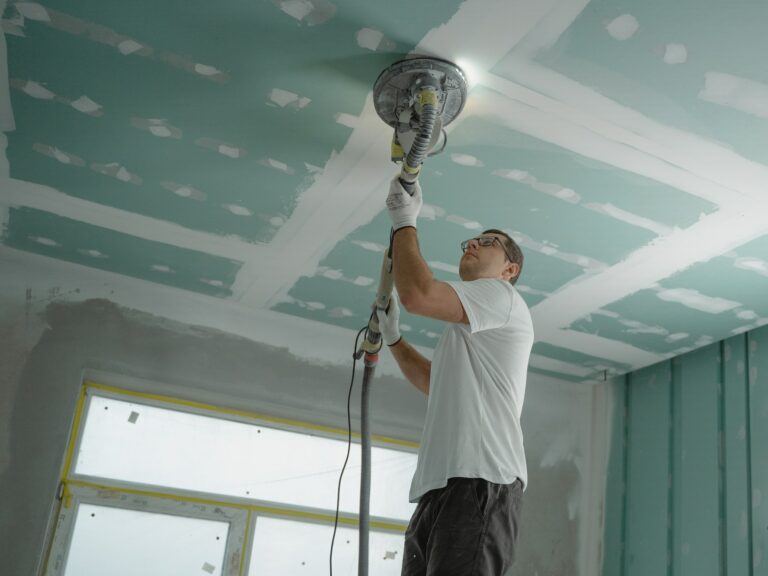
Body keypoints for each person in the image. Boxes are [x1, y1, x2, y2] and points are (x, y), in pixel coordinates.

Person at [376, 176, 534, 576]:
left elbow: (418, 295)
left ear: (509, 269)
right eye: (469, 242)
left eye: (487, 242)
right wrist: (394, 339)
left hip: (481, 479)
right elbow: (435, 383)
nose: (472, 245)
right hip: (441, 485)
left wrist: (404, 221)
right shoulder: (466, 332)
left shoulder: (502, 297)